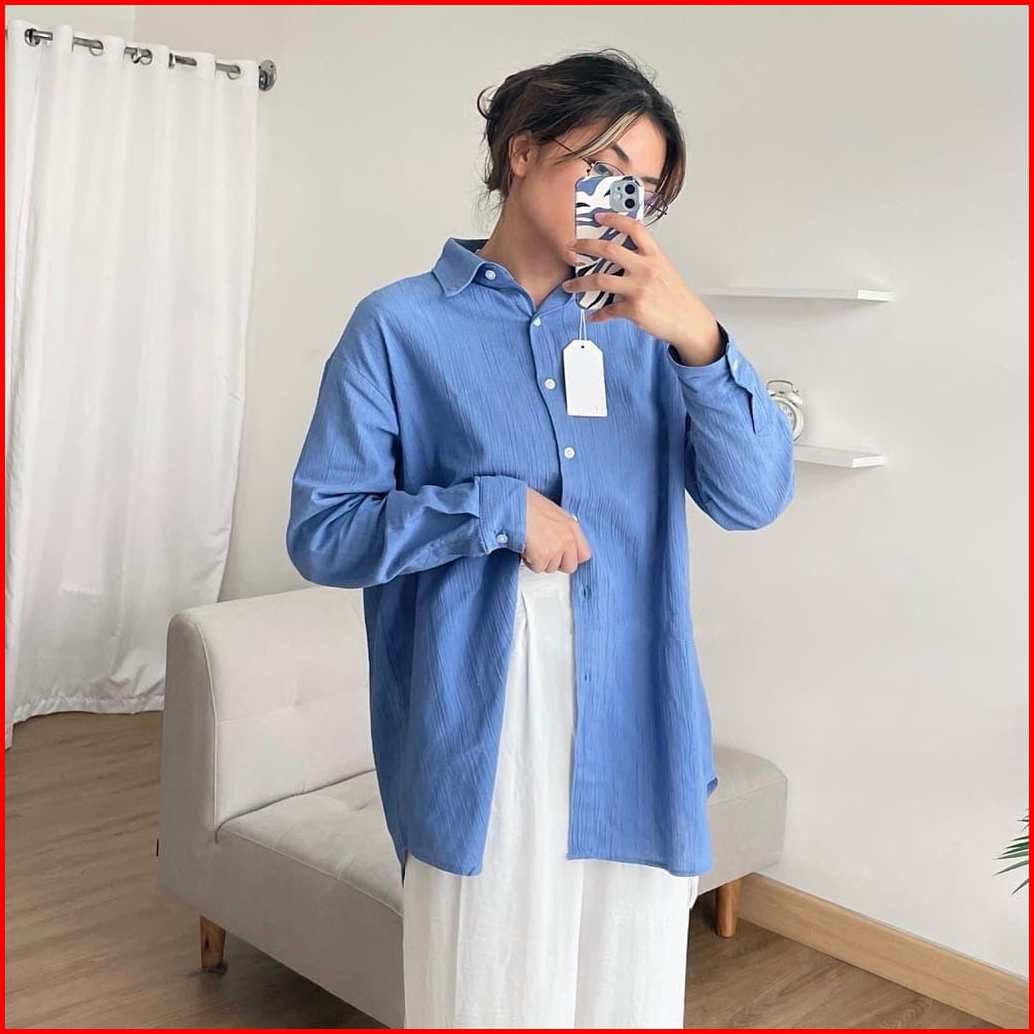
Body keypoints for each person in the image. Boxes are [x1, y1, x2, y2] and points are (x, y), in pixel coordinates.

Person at [286, 47, 795, 1029]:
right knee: (483, 993)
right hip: (479, 738)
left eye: (642, 190)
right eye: (602, 168)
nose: (619, 204)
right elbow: (322, 531)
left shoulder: (653, 332)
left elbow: (752, 498)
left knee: (625, 1000)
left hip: (637, 726)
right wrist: (493, 509)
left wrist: (699, 337)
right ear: (522, 151)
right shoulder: (398, 326)